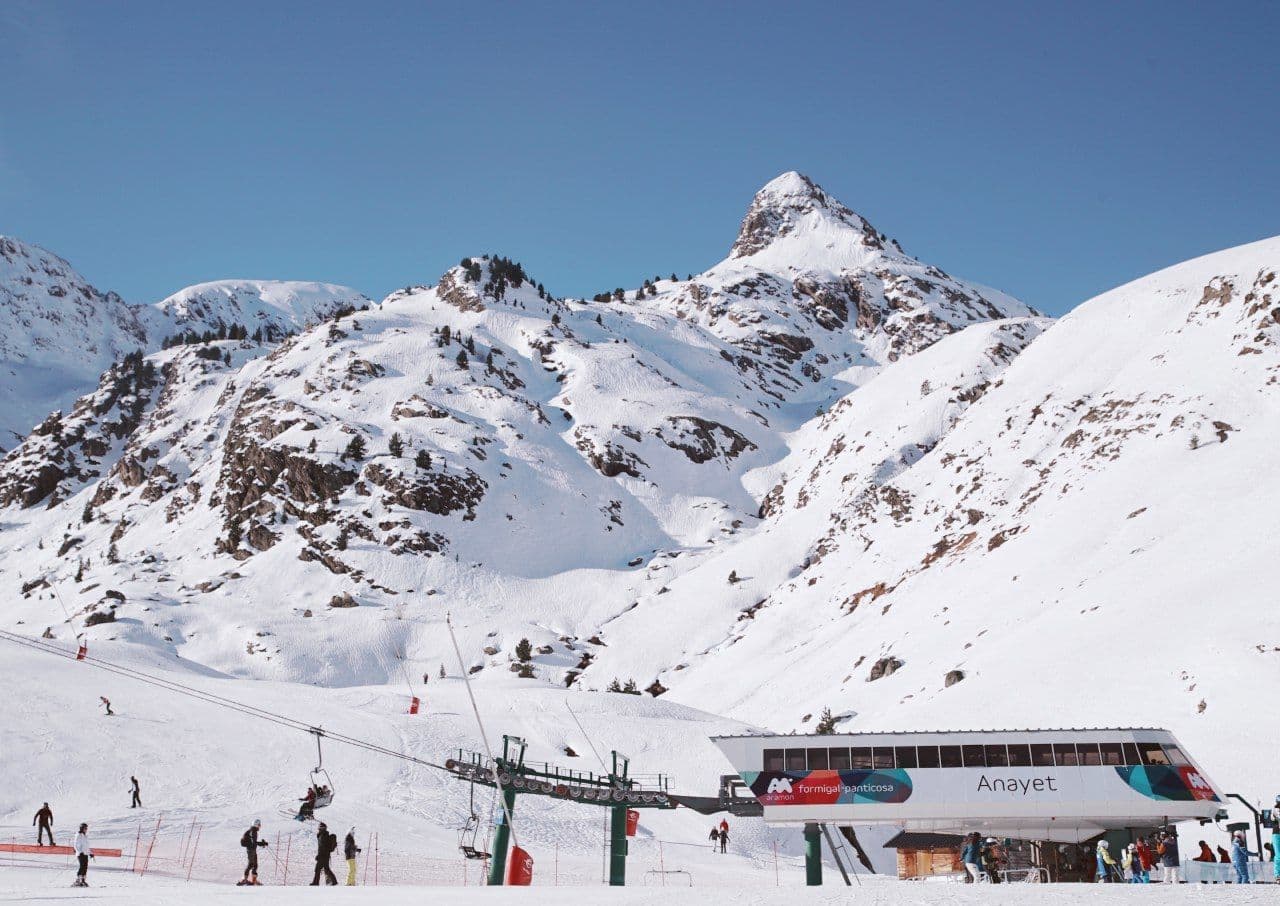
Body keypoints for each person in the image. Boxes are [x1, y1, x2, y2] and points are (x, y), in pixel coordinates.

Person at [239, 819, 268, 886]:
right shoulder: (252, 832)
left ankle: (253, 881)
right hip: (250, 850)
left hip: (252, 850)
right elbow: (252, 843)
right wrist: (262, 843)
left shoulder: (253, 831)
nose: (260, 826)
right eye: (259, 825)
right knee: (251, 864)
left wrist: (262, 843)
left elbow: (253, 843)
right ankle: (244, 880)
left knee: (255, 865)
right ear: (256, 825)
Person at [311, 822, 338, 886]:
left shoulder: (322, 836)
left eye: (319, 828)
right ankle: (334, 881)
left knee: (318, 869)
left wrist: (319, 855)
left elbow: (323, 847)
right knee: (326, 869)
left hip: (323, 855)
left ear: (322, 828)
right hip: (326, 855)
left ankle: (316, 882)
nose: (318, 829)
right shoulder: (324, 835)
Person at [72, 823, 93, 887]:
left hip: (85, 853)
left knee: (85, 867)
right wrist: (79, 851)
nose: (86, 829)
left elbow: (86, 846)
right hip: (80, 853)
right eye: (85, 828)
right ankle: (78, 880)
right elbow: (76, 845)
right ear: (82, 828)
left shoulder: (85, 836)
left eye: (86, 828)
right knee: (82, 866)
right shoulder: (78, 835)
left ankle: (83, 880)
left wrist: (90, 853)